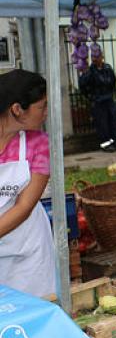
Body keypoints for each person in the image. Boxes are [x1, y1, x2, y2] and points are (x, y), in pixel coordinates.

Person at [0, 69, 56, 297]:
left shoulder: (39, 144)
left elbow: (24, 207)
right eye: (41, 107)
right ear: (17, 109)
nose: (45, 113)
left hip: (29, 252)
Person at [78, 51, 116, 152]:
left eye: (97, 56)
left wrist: (111, 93)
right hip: (98, 101)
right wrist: (91, 97)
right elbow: (83, 85)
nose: (95, 59)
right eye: (93, 57)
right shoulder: (89, 71)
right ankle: (106, 145)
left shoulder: (107, 68)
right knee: (102, 124)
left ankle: (115, 142)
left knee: (113, 121)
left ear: (102, 57)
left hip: (109, 99)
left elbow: (113, 81)